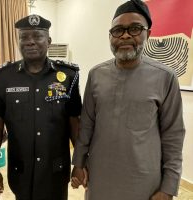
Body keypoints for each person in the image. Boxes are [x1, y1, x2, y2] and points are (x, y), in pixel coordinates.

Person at [71, 0, 185, 200]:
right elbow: (86, 125)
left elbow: (173, 136)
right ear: (110, 36)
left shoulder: (165, 77)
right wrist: (79, 163)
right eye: (118, 30)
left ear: (147, 34)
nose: (125, 35)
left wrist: (168, 187)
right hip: (100, 177)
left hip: (144, 181)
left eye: (134, 29)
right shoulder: (96, 74)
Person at [0, 14, 82, 200]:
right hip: (20, 170)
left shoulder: (68, 76)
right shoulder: (3, 78)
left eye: (37, 36)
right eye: (24, 37)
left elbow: (75, 122)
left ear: (48, 41)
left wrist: (78, 164)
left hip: (56, 170)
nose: (30, 42)